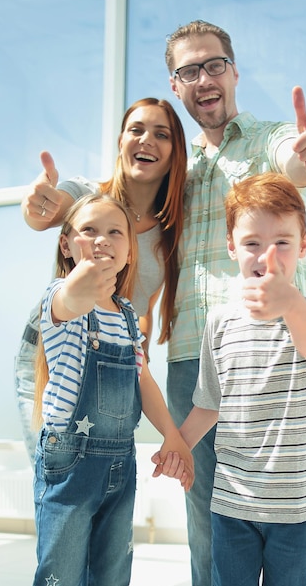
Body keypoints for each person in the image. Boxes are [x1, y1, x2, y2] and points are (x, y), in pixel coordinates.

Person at [161, 20, 306, 586]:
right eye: (189, 71)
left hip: (276, 349)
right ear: (176, 84)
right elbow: (117, 195)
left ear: (234, 72)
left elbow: (296, 159)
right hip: (195, 351)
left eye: (214, 65)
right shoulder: (176, 175)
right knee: (210, 519)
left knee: (292, 518)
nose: (204, 79)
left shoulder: (266, 139)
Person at [31, 193, 193, 586]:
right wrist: (80, 284)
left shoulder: (126, 315)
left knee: (110, 583)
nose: (102, 239)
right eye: (89, 230)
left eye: (114, 232)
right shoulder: (60, 299)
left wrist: (173, 436)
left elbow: (143, 380)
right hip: (70, 465)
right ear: (66, 245)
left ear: (128, 249)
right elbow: (71, 298)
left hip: (120, 466)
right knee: (59, 585)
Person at [15, 97, 187, 461]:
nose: (147, 140)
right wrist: (38, 204)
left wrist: (137, 349)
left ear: (176, 153)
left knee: (104, 480)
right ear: (121, 141)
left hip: (113, 355)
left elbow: (143, 304)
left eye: (162, 134)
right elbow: (48, 211)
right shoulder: (90, 195)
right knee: (54, 473)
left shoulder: (171, 233)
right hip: (56, 351)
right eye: (136, 130)